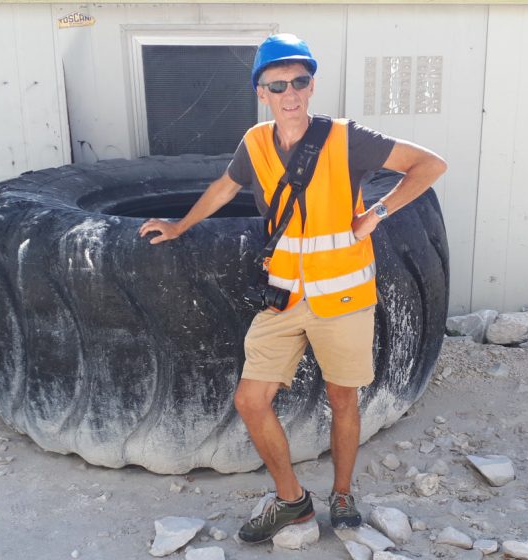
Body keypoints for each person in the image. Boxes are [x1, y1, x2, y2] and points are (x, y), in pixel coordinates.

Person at [139, 33, 447, 544]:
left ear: (311, 85)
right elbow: (223, 187)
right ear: (261, 92)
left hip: (343, 299)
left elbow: (430, 165)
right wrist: (179, 226)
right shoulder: (256, 142)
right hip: (283, 297)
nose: (290, 93)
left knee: (342, 401)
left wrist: (377, 213)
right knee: (250, 400)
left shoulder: (347, 138)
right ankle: (292, 501)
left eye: (299, 81)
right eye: (277, 84)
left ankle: (343, 494)